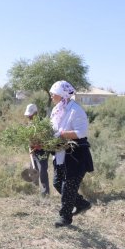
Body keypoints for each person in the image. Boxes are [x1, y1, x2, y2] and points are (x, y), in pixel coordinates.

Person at [49, 80, 94, 227]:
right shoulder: (57, 109)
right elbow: (52, 130)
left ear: (62, 95)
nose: (51, 96)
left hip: (75, 156)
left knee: (67, 187)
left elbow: (81, 132)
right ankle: (81, 203)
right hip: (60, 153)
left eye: (53, 94)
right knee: (57, 183)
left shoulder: (76, 110)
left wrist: (61, 134)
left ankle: (65, 218)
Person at [24, 103, 50, 196]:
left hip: (43, 151)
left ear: (36, 113)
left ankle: (45, 193)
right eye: (28, 115)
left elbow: (47, 140)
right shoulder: (29, 124)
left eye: (31, 115)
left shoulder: (43, 123)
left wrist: (39, 146)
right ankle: (35, 190)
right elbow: (29, 138)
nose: (29, 117)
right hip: (33, 151)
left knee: (42, 170)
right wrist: (31, 146)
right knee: (33, 170)